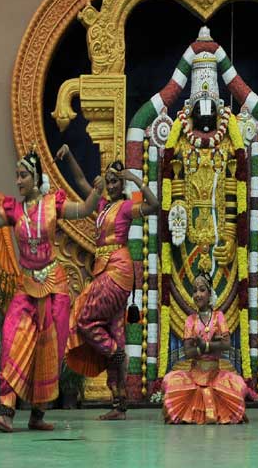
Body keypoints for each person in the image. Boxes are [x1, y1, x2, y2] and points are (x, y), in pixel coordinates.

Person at [0, 149, 103, 432]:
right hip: (27, 287)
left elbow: (84, 209)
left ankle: (37, 415)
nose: (18, 180)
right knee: (12, 341)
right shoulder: (14, 210)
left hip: (55, 288)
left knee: (49, 351)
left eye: (23, 175)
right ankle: (6, 414)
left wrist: (96, 193)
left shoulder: (52, 205)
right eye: (17, 176)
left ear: (35, 178)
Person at [65, 160, 159, 420]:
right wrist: (71, 155)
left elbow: (154, 205)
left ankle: (116, 354)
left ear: (123, 183)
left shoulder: (126, 207)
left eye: (116, 180)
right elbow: (82, 182)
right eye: (109, 180)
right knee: (113, 332)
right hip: (106, 270)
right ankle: (119, 403)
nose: (112, 184)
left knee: (85, 320)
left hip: (117, 270)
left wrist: (138, 180)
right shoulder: (103, 206)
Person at [162, 272, 249, 424]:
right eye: (194, 291)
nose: (197, 294)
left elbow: (226, 344)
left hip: (215, 375)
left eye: (202, 290)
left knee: (239, 386)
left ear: (210, 293)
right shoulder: (190, 320)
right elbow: (188, 352)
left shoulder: (218, 316)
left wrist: (204, 345)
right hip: (194, 376)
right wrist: (210, 346)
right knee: (169, 383)